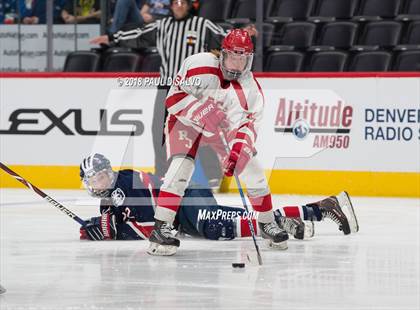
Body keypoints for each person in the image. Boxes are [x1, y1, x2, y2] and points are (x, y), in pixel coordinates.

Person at [146, 28, 360, 256]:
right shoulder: (198, 64)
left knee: (251, 167)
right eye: (232, 57)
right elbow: (173, 99)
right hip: (185, 122)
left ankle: (267, 223)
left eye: (243, 58)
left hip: (222, 126)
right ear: (222, 53)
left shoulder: (251, 90)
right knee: (181, 169)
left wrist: (238, 151)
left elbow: (247, 126)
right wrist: (201, 110)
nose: (237, 64)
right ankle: (161, 228)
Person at [90, 0, 256, 181]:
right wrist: (112, 38)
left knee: (204, 127)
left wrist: (243, 35)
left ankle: (212, 174)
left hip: (196, 86)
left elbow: (225, 38)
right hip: (167, 86)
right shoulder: (162, 25)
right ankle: (163, 173)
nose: (178, 6)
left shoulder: (201, 25)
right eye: (175, 2)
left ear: (190, 5)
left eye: (182, 2)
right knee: (160, 131)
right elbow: (138, 35)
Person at [78, 154, 359, 249]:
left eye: (103, 176)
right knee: (228, 221)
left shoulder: (124, 183)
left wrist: (109, 229)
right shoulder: (109, 201)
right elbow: (123, 220)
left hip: (187, 199)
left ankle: (317, 210)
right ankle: (306, 213)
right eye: (95, 180)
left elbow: (149, 227)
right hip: (182, 216)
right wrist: (99, 224)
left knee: (214, 225)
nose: (100, 182)